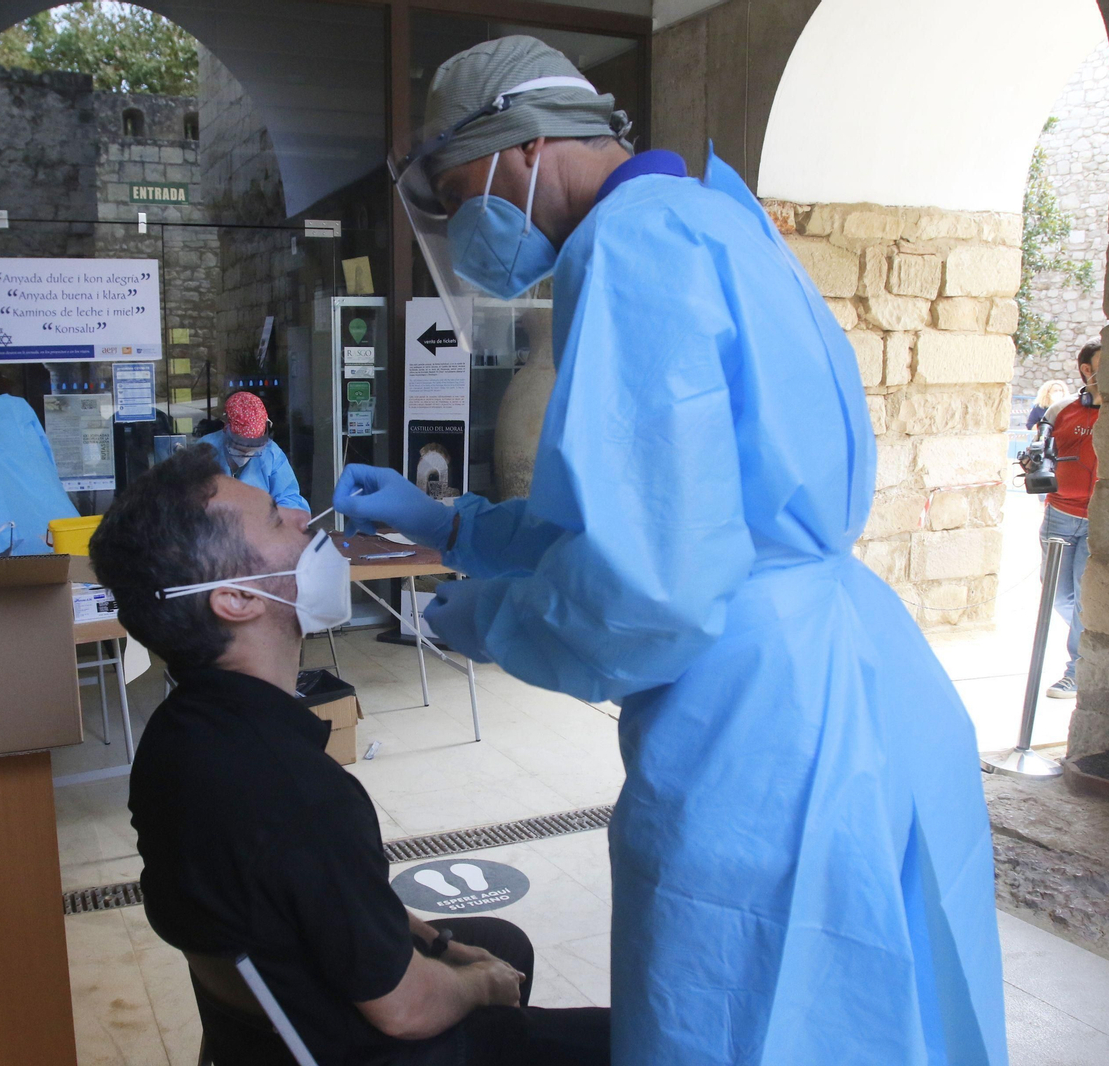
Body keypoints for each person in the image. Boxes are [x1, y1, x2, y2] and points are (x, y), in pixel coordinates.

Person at [335, 36, 1006, 1066]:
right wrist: (453, 526)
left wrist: (497, 621)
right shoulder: (716, 219)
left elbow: (652, 585)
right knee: (874, 1006)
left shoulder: (630, 250)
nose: (463, 216)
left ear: (524, 143)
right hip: (855, 667)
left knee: (745, 1014)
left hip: (760, 726)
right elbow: (644, 510)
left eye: (455, 180)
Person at [87, 445, 610, 1066]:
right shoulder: (300, 794)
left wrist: (439, 942)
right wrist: (480, 985)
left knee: (497, 939)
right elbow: (407, 1010)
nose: (302, 517)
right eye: (276, 520)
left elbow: (329, 894)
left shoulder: (177, 737)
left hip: (271, 1032)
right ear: (235, 599)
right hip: (368, 1047)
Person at [1040, 342, 1101, 699]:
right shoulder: (1063, 410)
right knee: (1059, 597)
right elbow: (1042, 454)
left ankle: (1076, 671)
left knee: (1083, 599)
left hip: (1097, 520)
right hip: (1060, 516)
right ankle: (1088, 637)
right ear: (1086, 370)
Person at [198, 390, 309, 514]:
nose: (246, 454)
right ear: (226, 427)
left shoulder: (271, 454)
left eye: (252, 449)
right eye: (240, 448)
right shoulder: (205, 450)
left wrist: (276, 519)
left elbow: (289, 498)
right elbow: (186, 497)